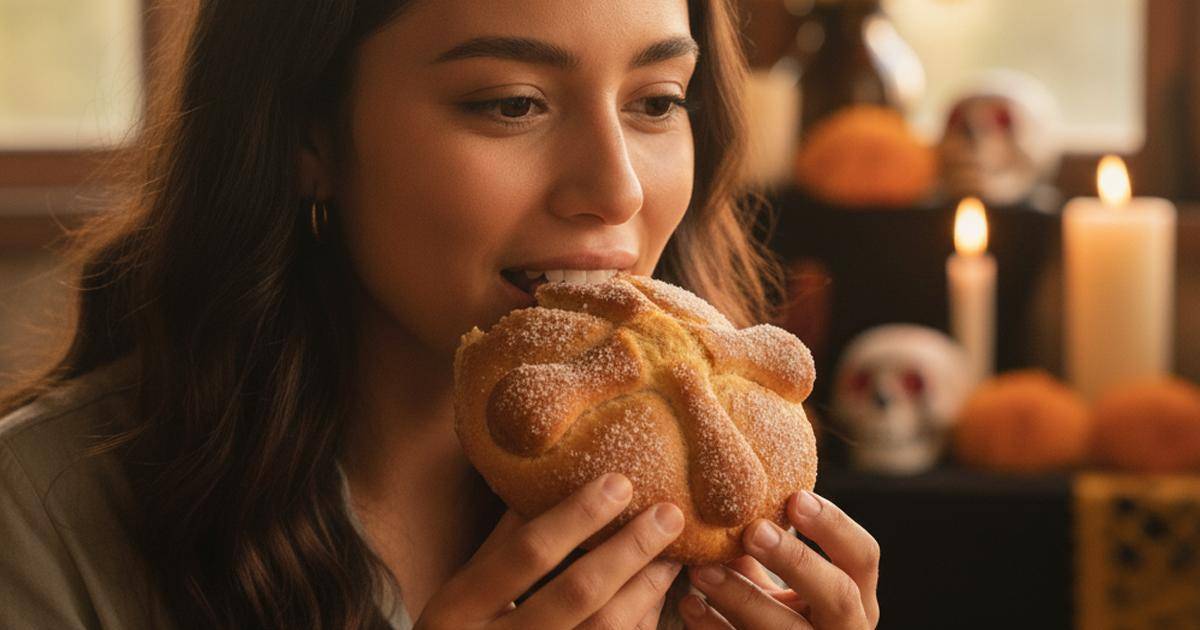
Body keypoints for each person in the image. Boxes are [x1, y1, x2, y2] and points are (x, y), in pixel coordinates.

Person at [0, 0, 881, 628]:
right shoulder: (33, 522)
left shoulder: (716, 510)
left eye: (656, 102)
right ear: (308, 135)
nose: (617, 189)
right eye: (512, 104)